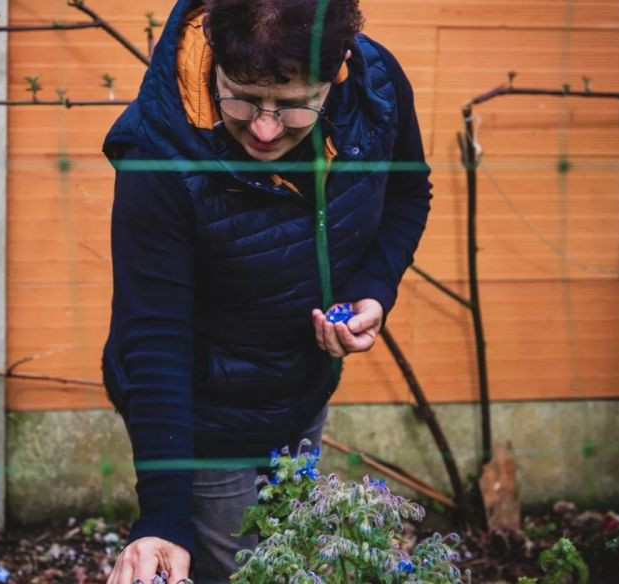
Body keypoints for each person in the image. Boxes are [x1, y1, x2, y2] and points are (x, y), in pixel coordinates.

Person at [101, 0, 432, 581]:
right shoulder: (159, 159)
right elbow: (153, 339)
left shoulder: (376, 88)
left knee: (294, 563)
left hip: (303, 391)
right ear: (216, 60)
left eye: (293, 105)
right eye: (244, 97)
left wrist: (373, 290)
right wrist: (165, 517)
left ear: (338, 71)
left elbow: (409, 194)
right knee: (239, 570)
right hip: (204, 420)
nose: (264, 127)